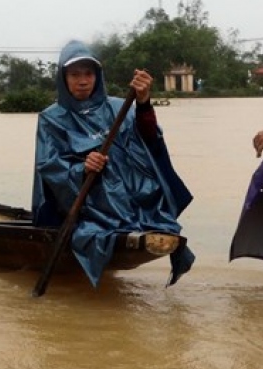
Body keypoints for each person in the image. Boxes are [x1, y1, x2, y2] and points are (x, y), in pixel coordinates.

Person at [31, 40, 194, 287]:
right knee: (95, 213)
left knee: (149, 188)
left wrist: (143, 102)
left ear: (97, 76)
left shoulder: (120, 107)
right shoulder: (51, 118)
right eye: (75, 74)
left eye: (88, 74)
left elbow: (149, 140)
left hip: (132, 193)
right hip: (87, 198)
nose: (83, 80)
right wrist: (82, 167)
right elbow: (49, 164)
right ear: (63, 78)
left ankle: (135, 219)